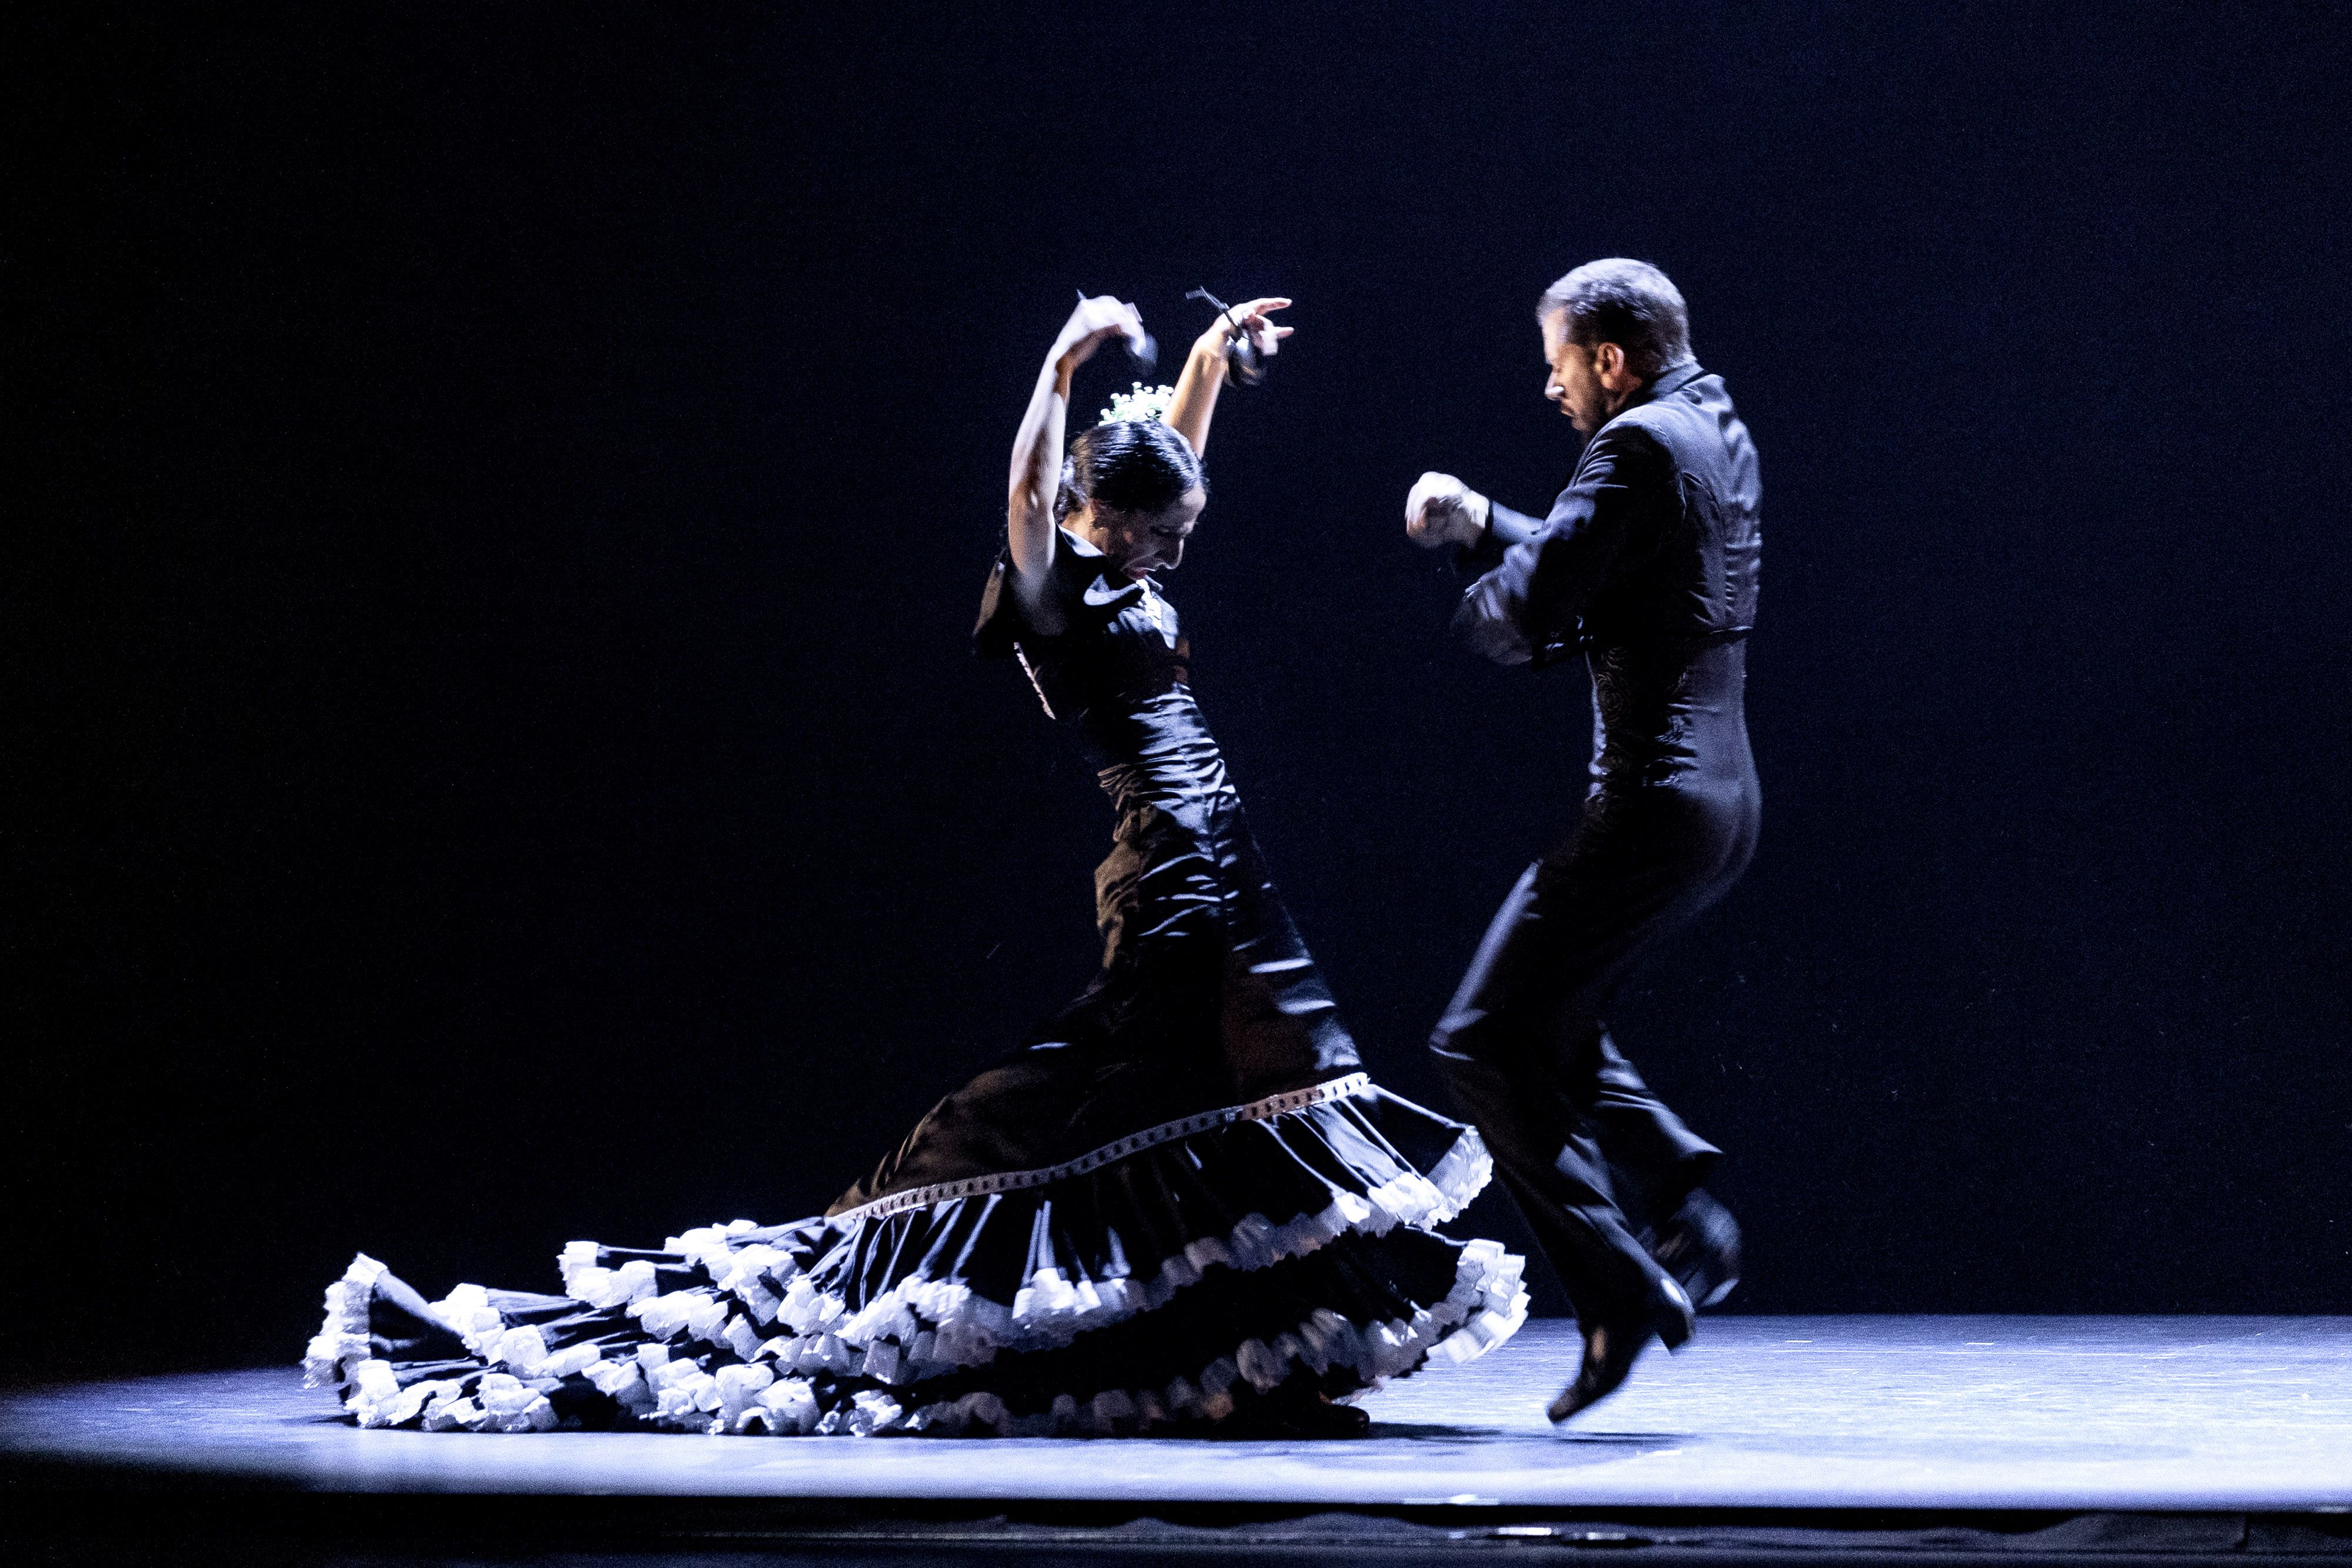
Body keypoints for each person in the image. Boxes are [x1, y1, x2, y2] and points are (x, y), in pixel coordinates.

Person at [305, 292, 1526, 1440]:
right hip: (1167, 875)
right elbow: (1027, 483)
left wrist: (1205, 367)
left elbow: (1168, 468)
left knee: (1246, 1103)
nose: (1174, 553)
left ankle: (1247, 1356)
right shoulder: (1053, 593)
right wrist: (1060, 365)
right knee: (1113, 1102)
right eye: (1158, 534)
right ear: (1095, 520)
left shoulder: (1138, 542)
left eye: (1185, 533)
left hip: (1228, 864)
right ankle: (918, 1276)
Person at [1403, 259, 1759, 1422]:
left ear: (1610, 359)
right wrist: (1488, 523)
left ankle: (1617, 1282)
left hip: (1650, 805)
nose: (1547, 384)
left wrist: (1476, 585)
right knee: (1543, 1014)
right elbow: (1620, 568)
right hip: (1721, 803)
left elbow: (1544, 604)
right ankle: (1678, 1188)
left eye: (1557, 360)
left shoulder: (1628, 446)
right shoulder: (1712, 426)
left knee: (1476, 1038)